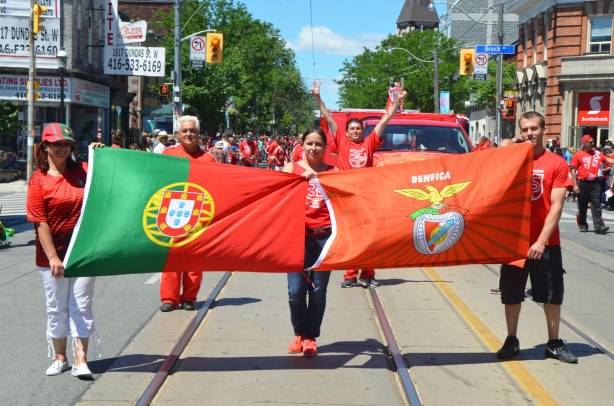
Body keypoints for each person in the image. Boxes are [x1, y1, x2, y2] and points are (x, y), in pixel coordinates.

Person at [496, 111, 577, 364]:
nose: (529, 133)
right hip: (514, 241)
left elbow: (556, 206)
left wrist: (541, 241)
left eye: (534, 128)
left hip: (546, 242)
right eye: (525, 129)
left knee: (552, 295)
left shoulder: (556, 163)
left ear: (544, 130)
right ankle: (511, 339)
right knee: (511, 294)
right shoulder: (512, 160)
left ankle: (553, 343)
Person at [26, 123, 104, 378]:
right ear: (45, 146)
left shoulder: (83, 170)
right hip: (51, 255)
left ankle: (81, 360)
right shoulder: (38, 179)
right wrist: (52, 257)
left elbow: (108, 179)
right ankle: (61, 358)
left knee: (81, 304)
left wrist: (102, 155)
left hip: (83, 251)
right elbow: (40, 221)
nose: (62, 148)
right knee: (56, 306)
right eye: (57, 143)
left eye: (66, 144)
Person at [312, 80, 407, 288]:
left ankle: (367, 273)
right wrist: (318, 98)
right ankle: (349, 275)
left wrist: (396, 103)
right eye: (352, 129)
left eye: (358, 129)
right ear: (345, 133)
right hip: (346, 197)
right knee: (350, 236)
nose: (355, 131)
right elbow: (328, 117)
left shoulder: (370, 142)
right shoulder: (342, 142)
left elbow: (384, 121)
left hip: (367, 197)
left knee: (371, 237)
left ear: (362, 132)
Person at [282, 127, 337, 357]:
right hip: (296, 237)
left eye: (318, 144)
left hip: (324, 238)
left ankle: (310, 337)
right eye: (309, 143)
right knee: (296, 291)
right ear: (301, 145)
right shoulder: (290, 169)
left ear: (325, 148)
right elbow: (277, 199)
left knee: (318, 291)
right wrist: (296, 182)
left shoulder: (335, 172)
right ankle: (299, 332)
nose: (313, 148)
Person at [159, 115, 217, 312]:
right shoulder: (167, 153)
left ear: (198, 134)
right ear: (178, 134)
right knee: (172, 257)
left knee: (194, 259)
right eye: (185, 131)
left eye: (192, 131)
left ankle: (189, 298)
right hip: (172, 213)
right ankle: (169, 298)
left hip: (199, 214)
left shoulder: (209, 158)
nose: (189, 134)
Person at [570, 135, 614, 234]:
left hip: (595, 183)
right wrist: (575, 185)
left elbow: (608, 160)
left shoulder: (598, 154)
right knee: (582, 205)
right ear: (585, 143)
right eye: (591, 142)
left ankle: (598, 226)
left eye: (593, 141)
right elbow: (573, 170)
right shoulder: (578, 155)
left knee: (596, 204)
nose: (593, 143)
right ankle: (583, 224)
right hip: (583, 183)